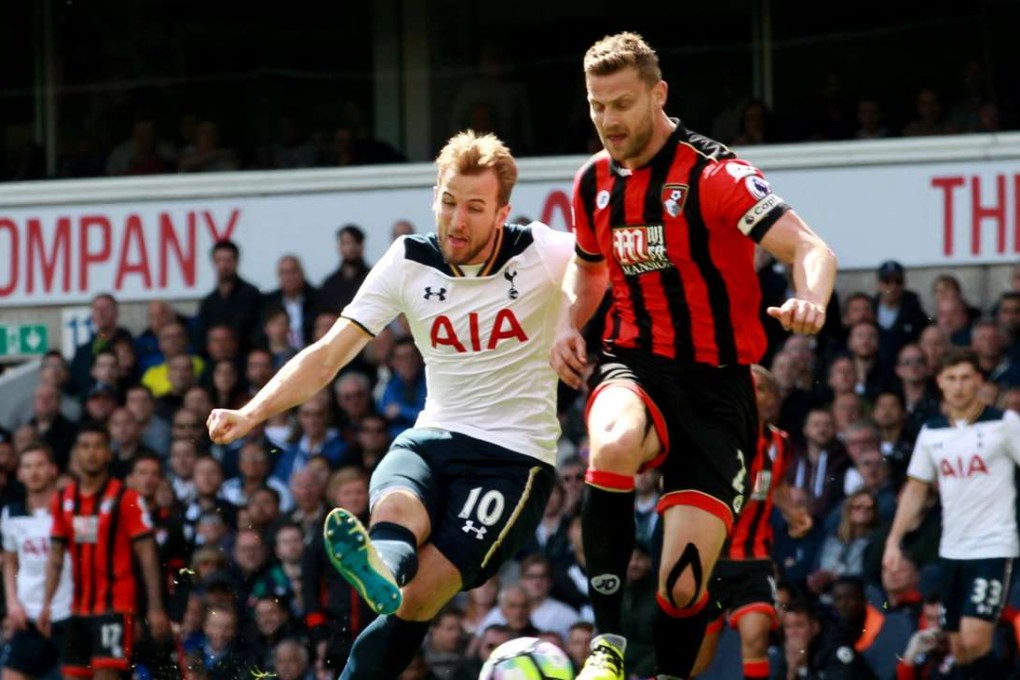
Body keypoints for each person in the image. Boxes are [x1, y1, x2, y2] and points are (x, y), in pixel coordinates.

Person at [208, 130, 573, 679]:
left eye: (475, 208)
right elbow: (328, 355)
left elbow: (598, 269)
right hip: (432, 438)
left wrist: (570, 321)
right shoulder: (408, 261)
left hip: (511, 461)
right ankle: (380, 566)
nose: (457, 221)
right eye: (448, 203)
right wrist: (251, 412)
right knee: (396, 509)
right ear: (434, 197)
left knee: (417, 601)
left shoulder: (541, 250)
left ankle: (389, 577)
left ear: (502, 211)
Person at [550, 32, 837, 680]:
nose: (609, 121)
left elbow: (813, 249)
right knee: (614, 441)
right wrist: (570, 325)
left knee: (681, 587)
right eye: (597, 106)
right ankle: (607, 644)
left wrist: (810, 300)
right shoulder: (593, 181)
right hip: (636, 362)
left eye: (621, 104)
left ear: (659, 94)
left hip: (717, 390)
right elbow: (590, 272)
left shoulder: (716, 174)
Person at [884, 347, 1020, 679]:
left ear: (978, 381)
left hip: (993, 545)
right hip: (952, 550)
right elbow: (916, 488)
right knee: (959, 648)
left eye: (965, 378)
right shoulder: (932, 432)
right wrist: (893, 541)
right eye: (951, 379)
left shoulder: (1004, 424)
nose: (959, 386)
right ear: (940, 383)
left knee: (975, 639)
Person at [691, 365, 811, 680]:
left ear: (773, 399)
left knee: (756, 635)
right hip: (710, 562)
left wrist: (793, 514)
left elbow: (777, 484)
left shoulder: (780, 444)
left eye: (759, 389)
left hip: (754, 561)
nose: (751, 394)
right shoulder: (713, 438)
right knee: (695, 661)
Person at [38, 425, 170, 679]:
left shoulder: (125, 496)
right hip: (76, 608)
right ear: (76, 453)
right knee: (72, 675)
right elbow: (55, 556)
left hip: (115, 606)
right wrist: (46, 604)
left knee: (106, 675)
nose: (92, 453)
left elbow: (147, 553)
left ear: (108, 453)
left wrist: (155, 608)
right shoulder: (63, 498)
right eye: (85, 446)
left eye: (98, 446)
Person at [1, 442, 73, 680]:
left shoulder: (70, 511)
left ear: (53, 470)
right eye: (28, 466)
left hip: (68, 613)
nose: (34, 472)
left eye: (40, 465)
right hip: (28, 616)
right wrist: (12, 603)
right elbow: (10, 560)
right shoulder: (11, 513)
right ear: (19, 473)